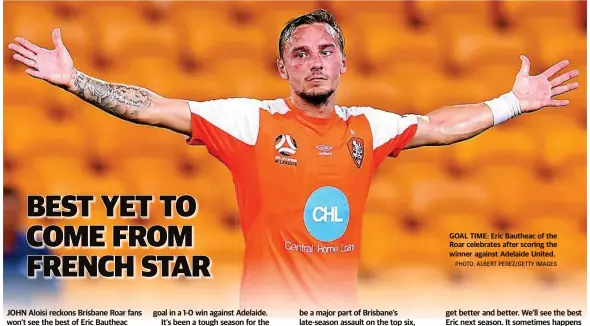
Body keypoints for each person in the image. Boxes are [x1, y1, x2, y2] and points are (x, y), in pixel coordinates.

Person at [8, 9, 579, 313]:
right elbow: (154, 108)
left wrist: (510, 104)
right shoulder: (248, 122)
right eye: (299, 54)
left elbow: (437, 125)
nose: (314, 63)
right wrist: (75, 80)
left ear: (343, 63)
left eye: (325, 52)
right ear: (283, 69)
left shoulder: (369, 127)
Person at [3, 186, 60, 308]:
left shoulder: (37, 248)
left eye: (11, 212)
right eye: (4, 212)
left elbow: (51, 294)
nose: (7, 218)